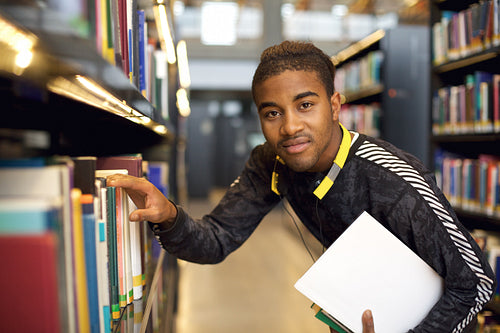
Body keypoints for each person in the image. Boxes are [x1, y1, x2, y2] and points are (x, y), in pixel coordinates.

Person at [107, 41, 495, 332]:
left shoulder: (390, 179)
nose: (289, 127)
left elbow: (476, 283)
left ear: (335, 104)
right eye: (272, 113)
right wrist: (169, 215)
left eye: (305, 105)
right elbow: (215, 239)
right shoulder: (271, 162)